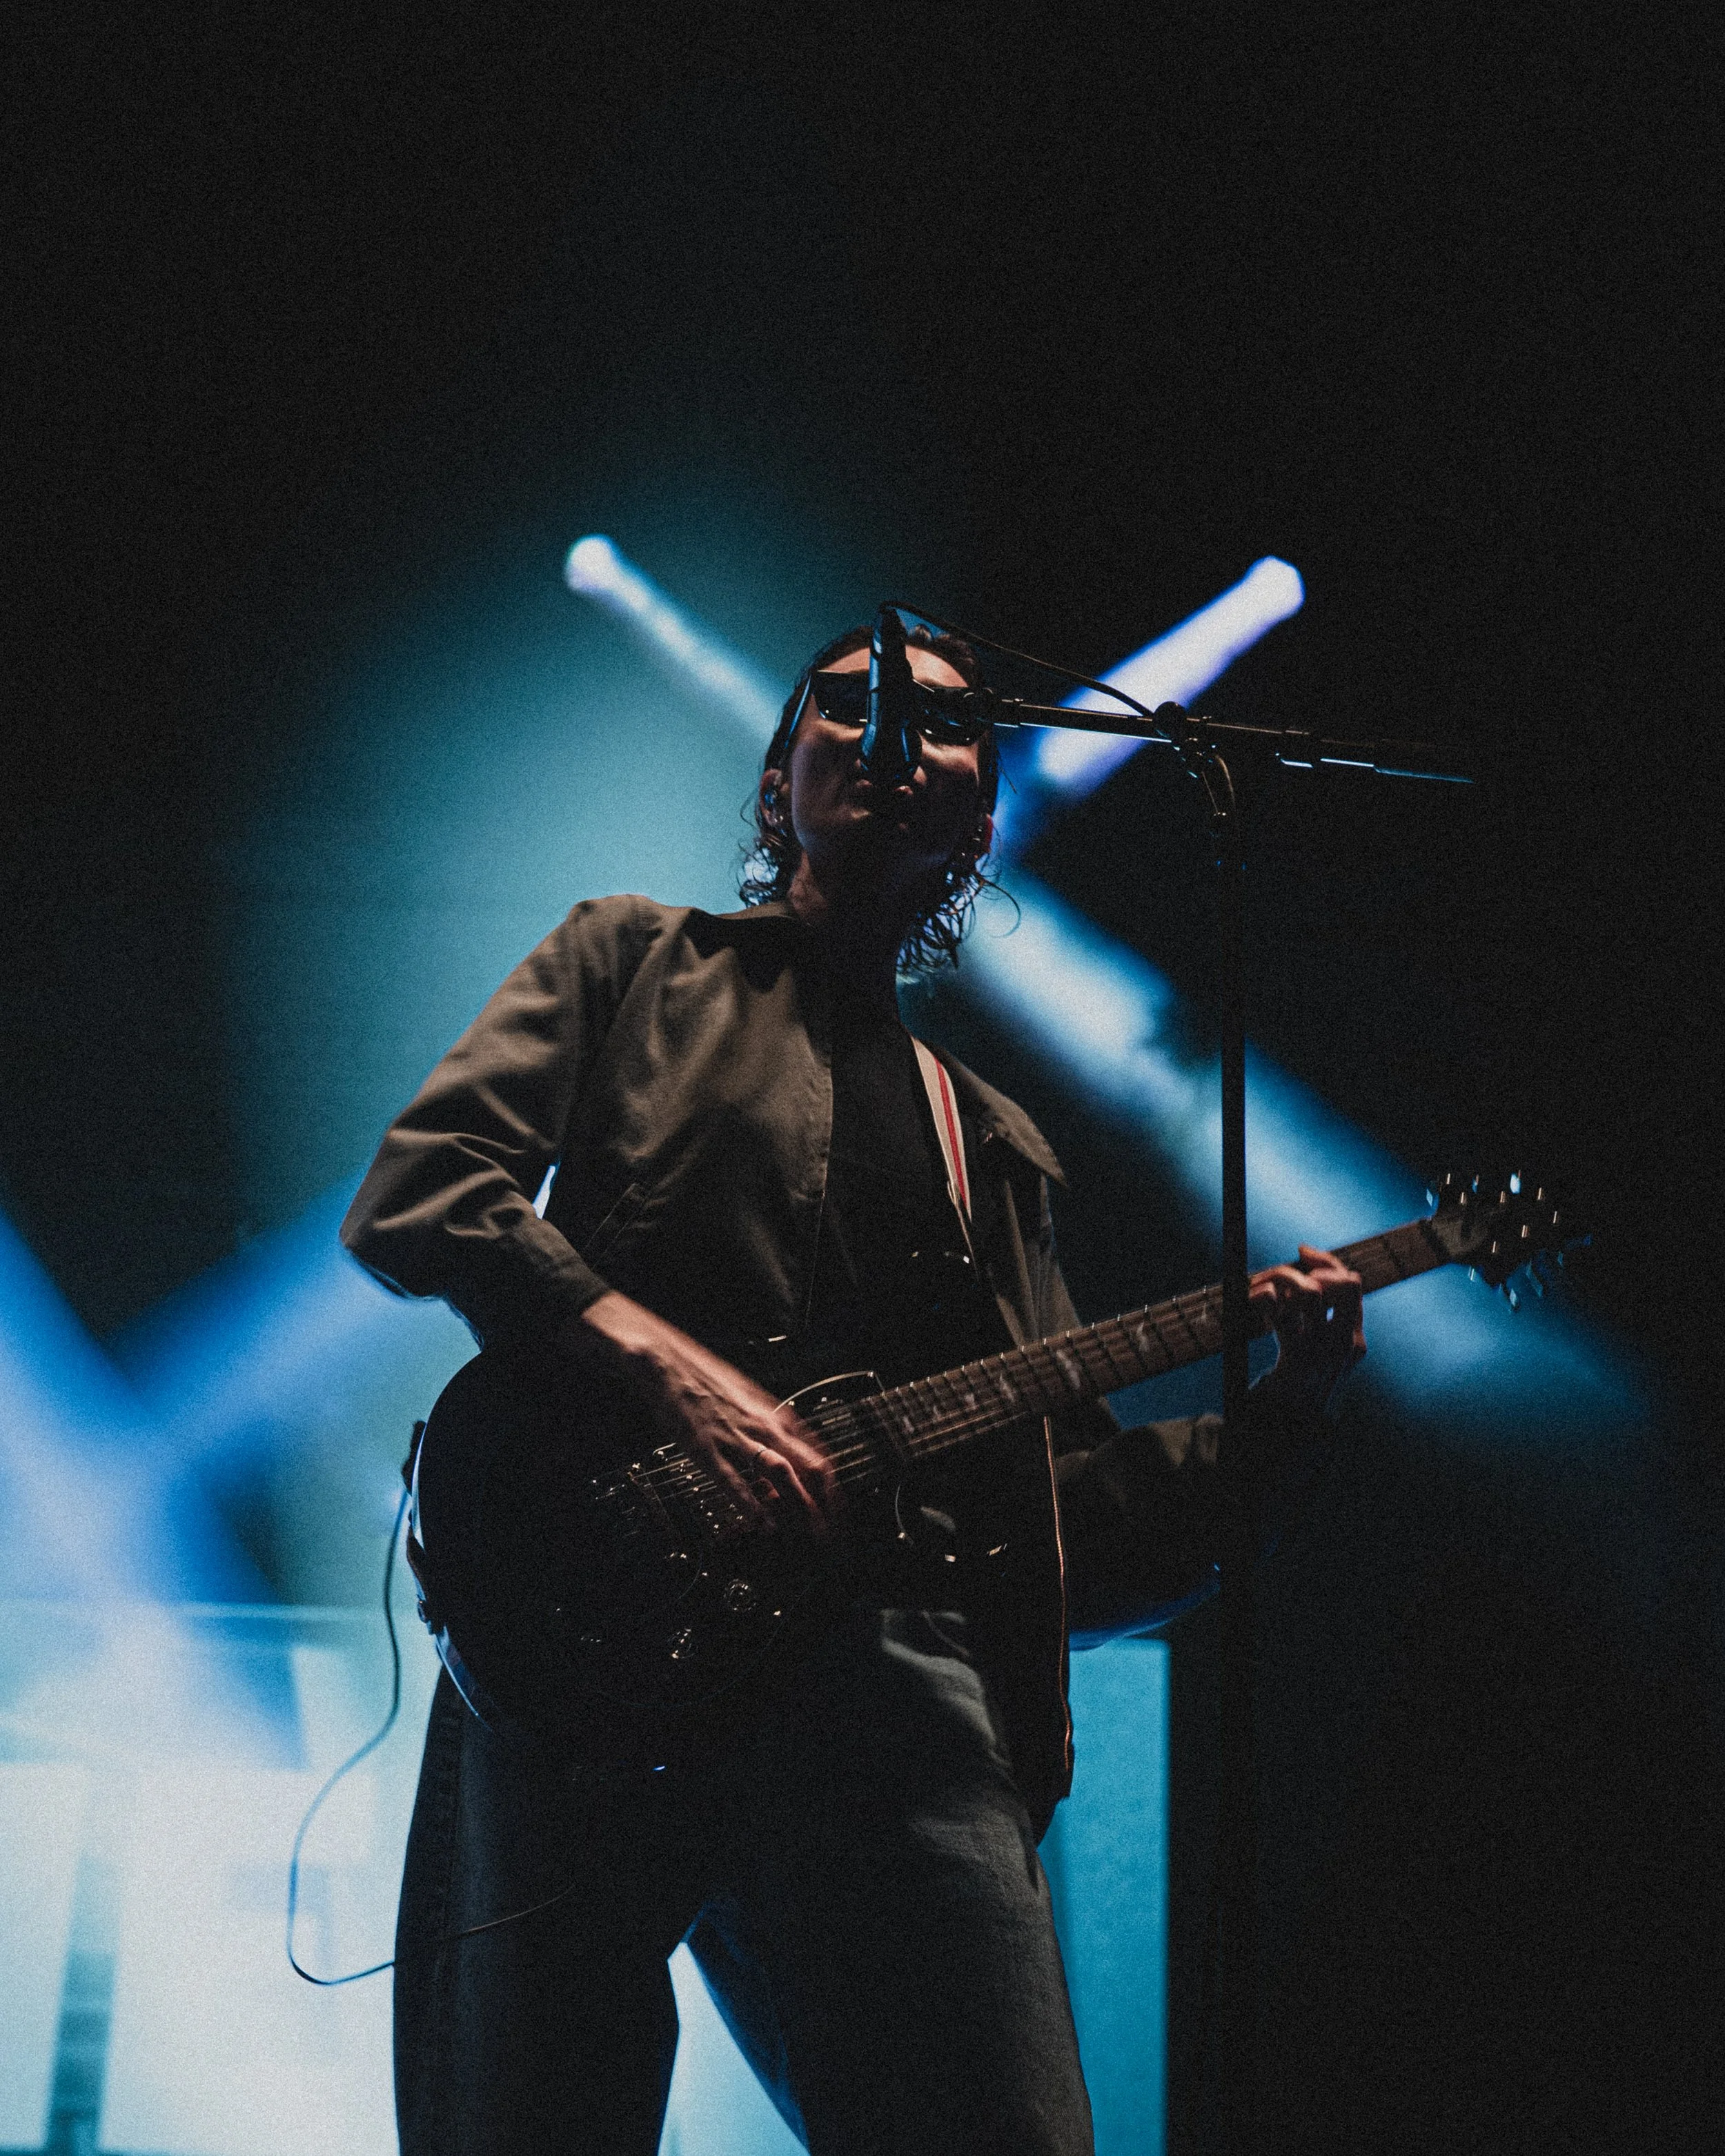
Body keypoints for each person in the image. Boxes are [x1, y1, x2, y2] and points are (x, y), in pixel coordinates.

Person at [341, 620, 1366, 2155]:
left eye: (948, 727)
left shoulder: (993, 1139)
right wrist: (656, 1359)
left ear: (982, 812)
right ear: (784, 773)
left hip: (895, 1700)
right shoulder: (634, 962)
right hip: (596, 1630)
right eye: (851, 704)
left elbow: (1069, 1509)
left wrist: (1283, 1407)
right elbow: (422, 1190)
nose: (894, 737)